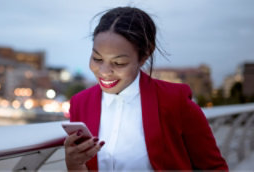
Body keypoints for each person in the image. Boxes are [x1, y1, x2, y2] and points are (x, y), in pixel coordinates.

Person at [63, 6, 228, 171]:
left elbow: (214, 168)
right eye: (97, 58)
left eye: (119, 63)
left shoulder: (175, 101)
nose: (104, 72)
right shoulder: (80, 103)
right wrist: (74, 164)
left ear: (144, 56)